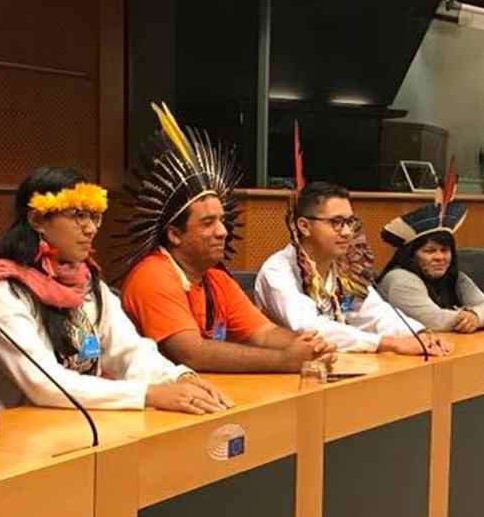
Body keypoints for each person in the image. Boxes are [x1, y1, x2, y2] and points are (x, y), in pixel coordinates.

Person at [0, 167, 231, 415]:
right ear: (37, 220)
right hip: (17, 438)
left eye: (94, 217)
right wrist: (148, 394)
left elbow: (129, 350)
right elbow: (44, 384)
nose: (91, 229)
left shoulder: (88, 284)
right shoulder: (3, 292)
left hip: (81, 424)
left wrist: (177, 377)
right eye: (78, 215)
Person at [117, 103, 335, 373]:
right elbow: (191, 354)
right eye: (208, 222)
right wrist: (284, 361)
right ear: (174, 234)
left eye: (221, 220)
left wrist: (310, 347)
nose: (222, 231)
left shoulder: (215, 279)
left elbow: (264, 333)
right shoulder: (153, 275)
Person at [255, 179, 449, 355]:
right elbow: (309, 328)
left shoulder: (345, 267)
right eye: (336, 222)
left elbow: (376, 314)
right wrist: (385, 343)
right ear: (304, 226)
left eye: (350, 222)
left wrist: (418, 333)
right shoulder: (277, 271)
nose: (348, 232)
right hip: (290, 373)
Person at [376, 173, 484, 332]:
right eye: (429, 251)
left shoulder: (456, 278)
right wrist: (470, 317)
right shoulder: (400, 278)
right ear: (410, 255)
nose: (440, 257)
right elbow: (434, 320)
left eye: (445, 250)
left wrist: (476, 316)